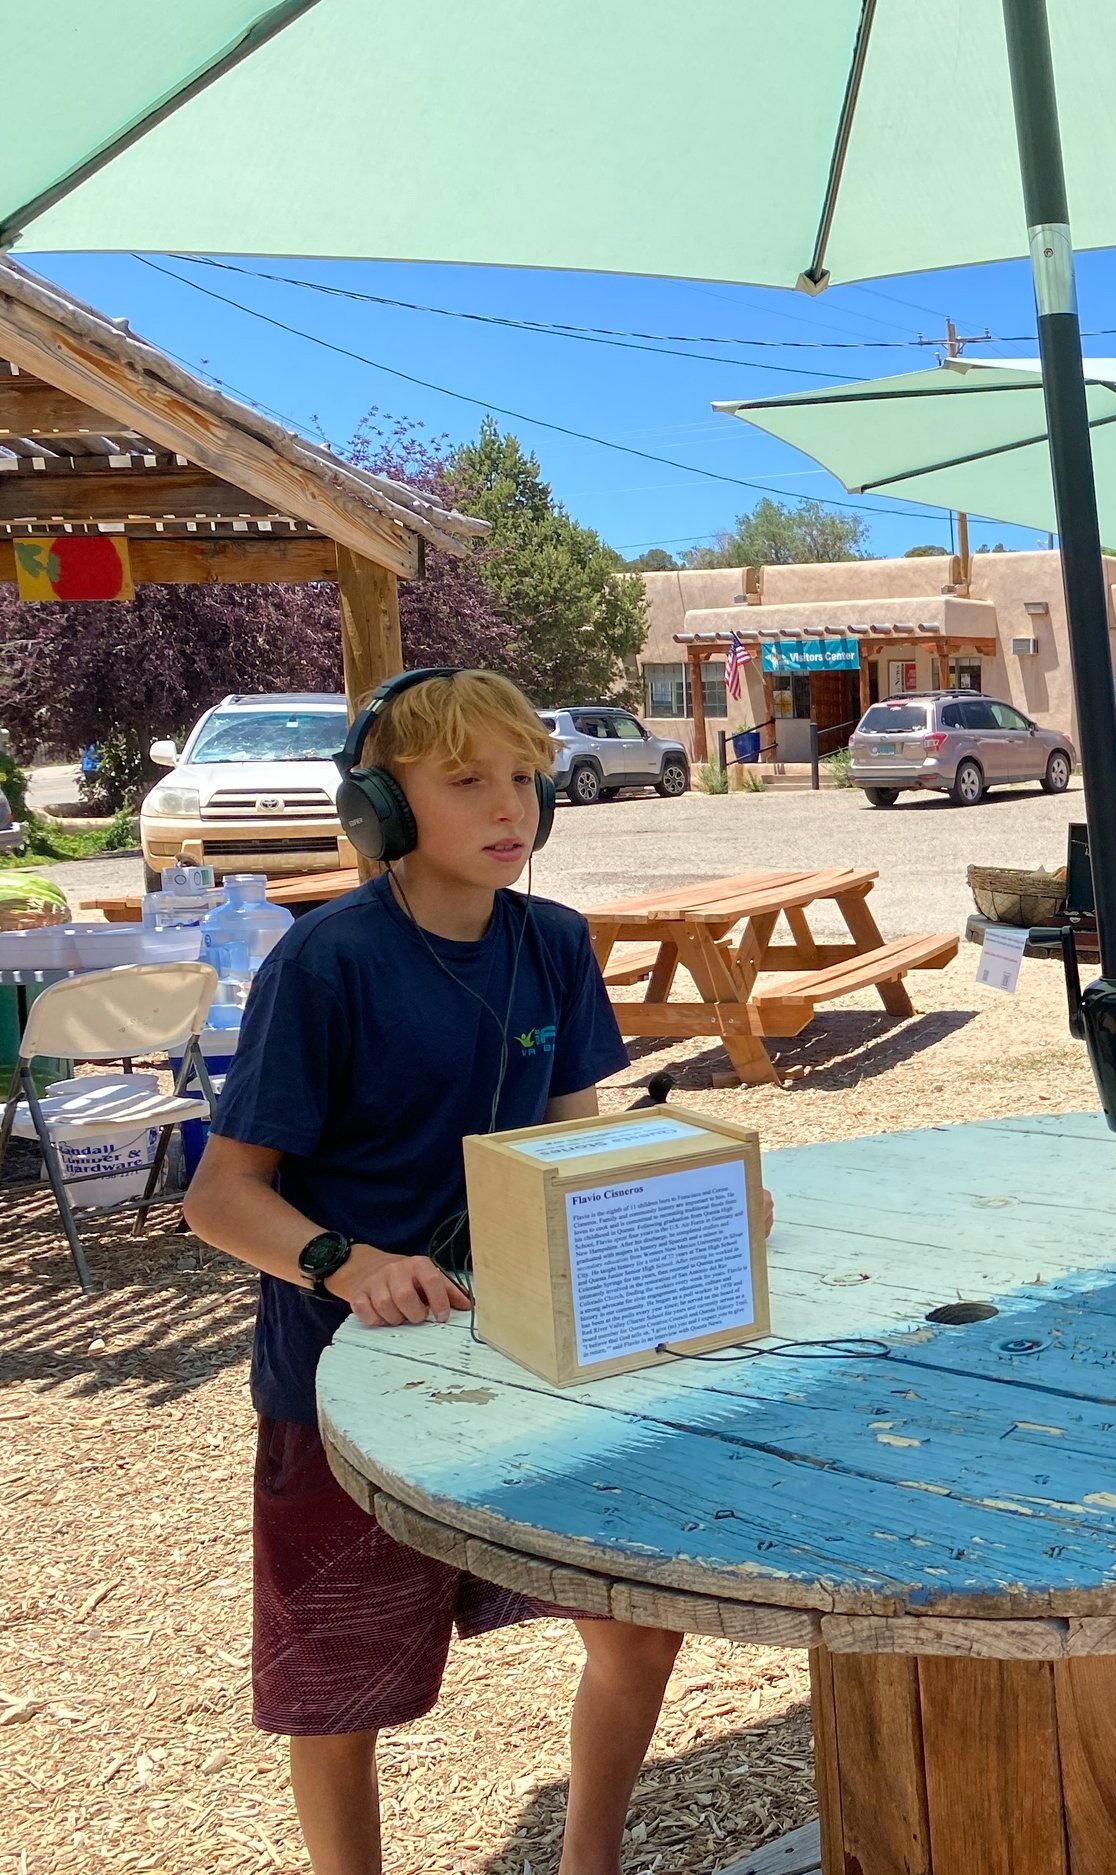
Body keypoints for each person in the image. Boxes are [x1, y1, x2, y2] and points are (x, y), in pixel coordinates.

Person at [186, 670, 683, 1875]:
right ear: (381, 808)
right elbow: (219, 1197)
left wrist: (678, 1197)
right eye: (465, 781)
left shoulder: (555, 944)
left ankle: (592, 1862)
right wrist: (343, 1263)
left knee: (638, 1635)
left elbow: (576, 1148)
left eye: (523, 777)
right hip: (342, 1387)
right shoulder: (326, 963)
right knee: (340, 1696)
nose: (509, 805)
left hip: (527, 1362)